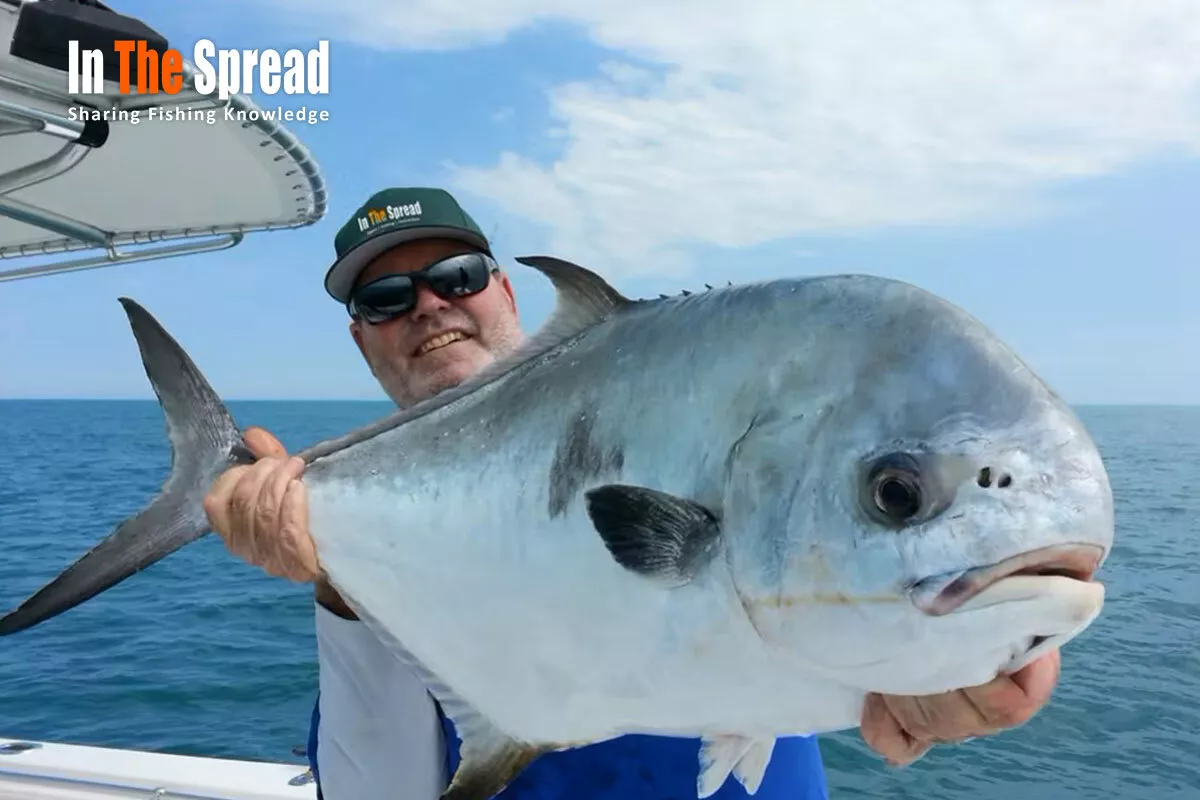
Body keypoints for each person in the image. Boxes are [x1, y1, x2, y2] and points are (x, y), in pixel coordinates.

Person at [203, 187, 1064, 800]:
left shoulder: (685, 409)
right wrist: (336, 584)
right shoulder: (379, 544)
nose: (429, 306)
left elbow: (831, 533)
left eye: (457, 275)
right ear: (363, 341)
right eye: (387, 297)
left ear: (506, 292)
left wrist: (987, 645)